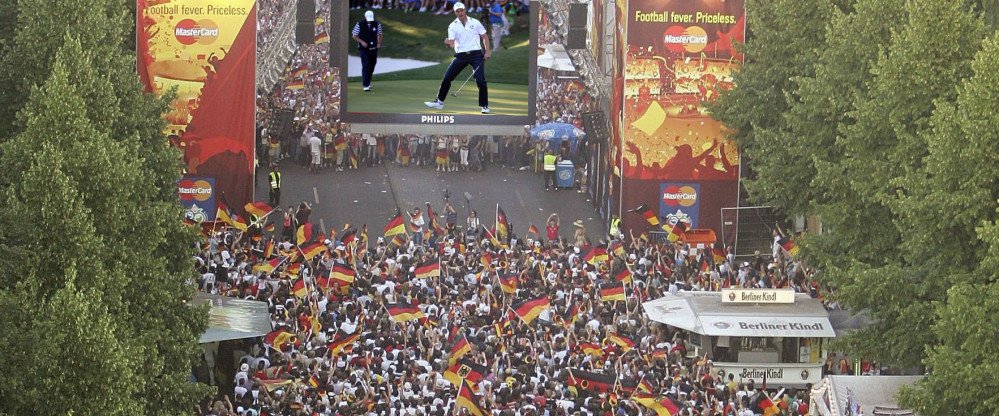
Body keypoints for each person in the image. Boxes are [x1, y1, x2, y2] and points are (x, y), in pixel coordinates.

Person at [424, 2, 492, 114]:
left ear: (465, 10)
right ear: (455, 12)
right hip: (461, 55)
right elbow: (451, 44)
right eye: (457, 11)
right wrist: (447, 43)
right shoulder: (452, 26)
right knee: (447, 77)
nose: (460, 13)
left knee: (480, 80)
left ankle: (484, 106)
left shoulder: (475, 22)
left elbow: (484, 36)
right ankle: (439, 102)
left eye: (461, 10)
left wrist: (487, 51)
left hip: (476, 55)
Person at [351, 10, 383, 92]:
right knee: (365, 64)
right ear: (365, 17)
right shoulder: (359, 24)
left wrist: (379, 43)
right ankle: (365, 85)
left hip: (373, 48)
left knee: (372, 65)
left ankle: (368, 82)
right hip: (363, 49)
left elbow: (380, 34)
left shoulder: (377, 24)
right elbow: (354, 36)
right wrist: (361, 42)